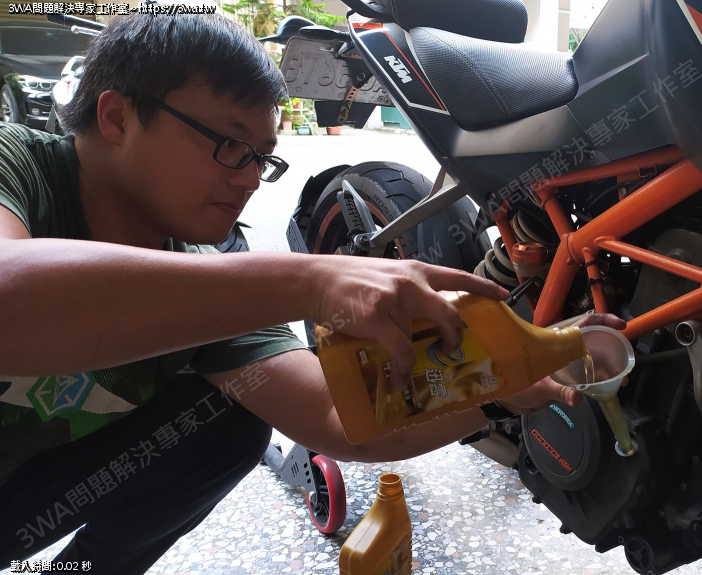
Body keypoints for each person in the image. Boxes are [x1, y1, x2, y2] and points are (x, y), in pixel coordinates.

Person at [0, 13, 625, 573]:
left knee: (227, 425)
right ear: (116, 116)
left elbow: (340, 420)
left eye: (262, 158)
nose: (250, 180)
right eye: (230, 145)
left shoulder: (202, 279)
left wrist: (499, 387)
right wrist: (311, 280)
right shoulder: (16, 162)